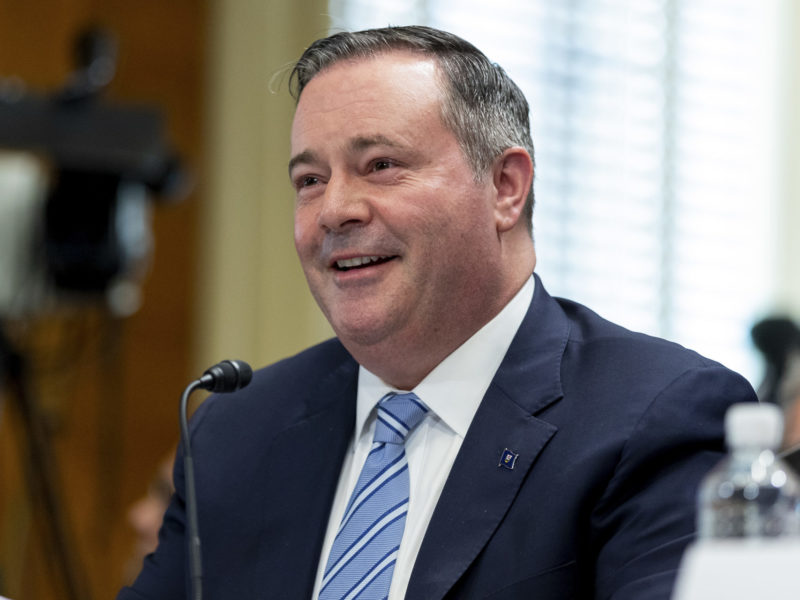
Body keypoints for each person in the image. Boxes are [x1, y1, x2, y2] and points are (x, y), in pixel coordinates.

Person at [117, 25, 757, 600]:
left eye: (381, 166)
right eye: (310, 180)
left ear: (506, 187)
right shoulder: (237, 431)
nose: (335, 210)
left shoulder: (656, 418)